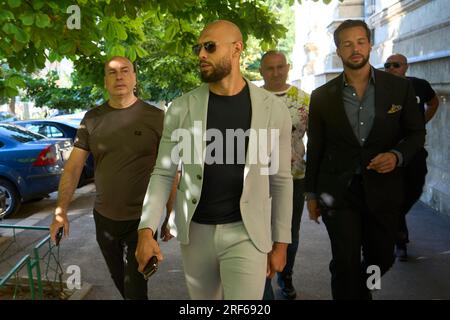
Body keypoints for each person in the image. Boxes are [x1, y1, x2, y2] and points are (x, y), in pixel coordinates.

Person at [135, 20, 293, 300]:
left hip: (247, 232)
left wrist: (281, 243)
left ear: (237, 49)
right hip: (195, 232)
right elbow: (163, 172)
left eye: (209, 46)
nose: (201, 54)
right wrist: (146, 230)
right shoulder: (181, 108)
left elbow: (280, 179)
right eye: (198, 48)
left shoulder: (272, 109)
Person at [305, 20, 425, 300]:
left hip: (384, 190)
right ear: (338, 51)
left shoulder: (399, 89)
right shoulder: (322, 97)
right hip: (338, 192)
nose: (354, 48)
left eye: (360, 41)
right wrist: (310, 193)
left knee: (380, 259)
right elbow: (318, 146)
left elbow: (416, 134)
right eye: (347, 44)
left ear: (370, 45)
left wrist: (397, 156)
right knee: (345, 262)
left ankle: (363, 292)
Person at [49, 56, 171, 300]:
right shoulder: (92, 119)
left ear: (134, 77)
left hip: (143, 220)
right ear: (105, 81)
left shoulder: (157, 117)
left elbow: (170, 170)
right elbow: (73, 168)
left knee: (136, 286)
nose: (119, 77)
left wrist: (170, 215)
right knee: (120, 281)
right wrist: (60, 211)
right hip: (104, 219)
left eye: (125, 71)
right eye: (112, 72)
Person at [259, 50, 309, 300]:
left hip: (294, 177)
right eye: (270, 68)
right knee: (260, 230)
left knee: (290, 231)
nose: (276, 72)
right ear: (261, 71)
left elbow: (317, 138)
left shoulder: (304, 99)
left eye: (280, 67)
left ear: (288, 67)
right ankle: (263, 282)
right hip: (258, 178)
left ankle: (285, 275)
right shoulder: (251, 98)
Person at [384, 53, 440, 261]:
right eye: (387, 65)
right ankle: (400, 241)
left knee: (415, 188)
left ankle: (395, 223)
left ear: (405, 67)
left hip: (414, 150)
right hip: (390, 153)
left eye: (396, 65)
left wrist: (421, 122)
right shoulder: (380, 89)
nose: (391, 68)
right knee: (394, 196)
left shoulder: (419, 85)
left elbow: (434, 103)